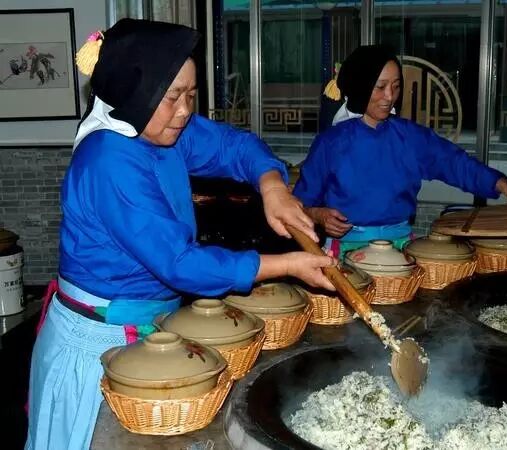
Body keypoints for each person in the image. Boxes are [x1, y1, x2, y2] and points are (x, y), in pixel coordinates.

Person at [26, 19, 334, 450]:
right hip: (97, 342)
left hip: (150, 330)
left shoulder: (161, 128)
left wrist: (272, 187)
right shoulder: (108, 160)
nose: (186, 110)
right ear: (136, 92)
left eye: (191, 95)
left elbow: (232, 146)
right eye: (172, 97)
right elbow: (180, 263)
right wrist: (288, 265)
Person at [293, 45, 507, 258]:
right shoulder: (330, 143)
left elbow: (455, 163)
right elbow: (299, 205)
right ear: (360, 87)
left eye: (396, 86)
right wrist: (318, 215)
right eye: (380, 87)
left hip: (401, 250)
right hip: (344, 254)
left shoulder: (409, 137)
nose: (389, 96)